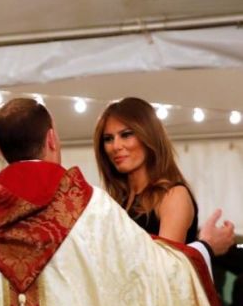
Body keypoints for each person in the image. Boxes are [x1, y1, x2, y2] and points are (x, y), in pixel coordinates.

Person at [0, 98, 231, 306]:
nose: (117, 146)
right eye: (110, 138)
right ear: (52, 138)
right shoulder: (91, 207)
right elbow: (155, 280)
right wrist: (205, 247)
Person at [94, 97, 234, 257]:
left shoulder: (172, 196)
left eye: (126, 135)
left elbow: (164, 269)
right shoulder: (115, 202)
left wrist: (205, 247)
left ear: (148, 136)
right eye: (108, 139)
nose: (116, 146)